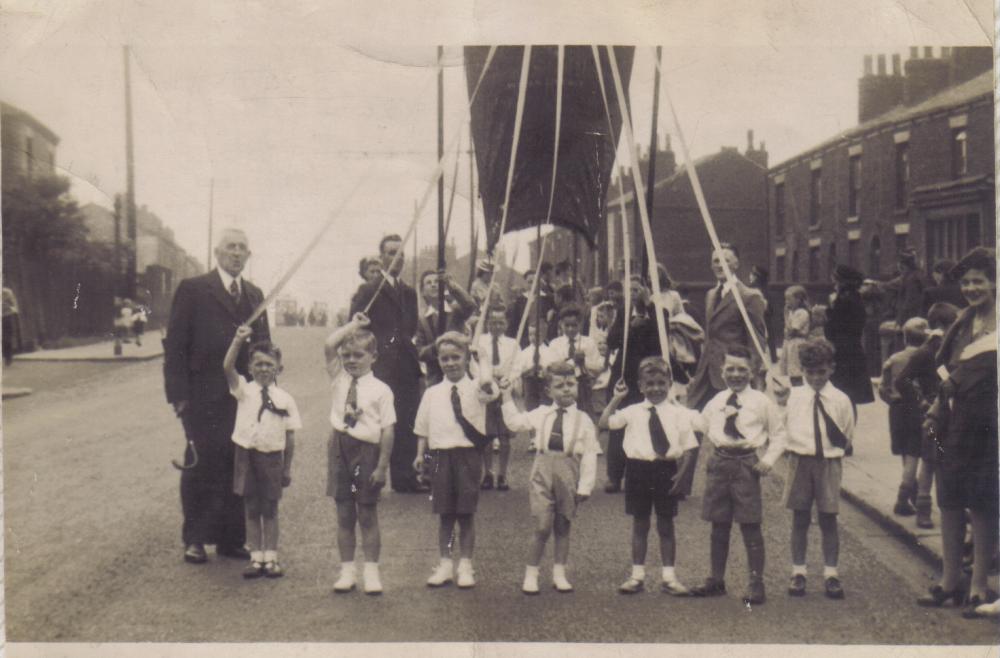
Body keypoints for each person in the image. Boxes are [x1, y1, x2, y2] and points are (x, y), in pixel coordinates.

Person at [164, 227, 270, 565]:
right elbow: (176, 348)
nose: (236, 253)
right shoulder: (194, 290)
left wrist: (265, 392)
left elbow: (264, 349)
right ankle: (194, 539)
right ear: (217, 253)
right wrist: (179, 397)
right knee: (201, 466)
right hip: (203, 397)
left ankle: (230, 539)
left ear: (248, 256)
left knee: (238, 465)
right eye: (230, 247)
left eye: (242, 248)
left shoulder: (255, 295)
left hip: (243, 398)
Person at [917, 247, 997, 619]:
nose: (971, 288)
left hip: (988, 425)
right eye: (966, 283)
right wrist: (935, 408)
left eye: (978, 281)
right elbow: (944, 371)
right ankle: (949, 583)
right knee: (948, 499)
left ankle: (979, 585)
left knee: (981, 503)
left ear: (994, 283)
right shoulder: (961, 323)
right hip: (952, 421)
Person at [689, 345, 786, 604]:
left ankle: (756, 583)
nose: (735, 374)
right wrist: (681, 407)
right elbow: (700, 424)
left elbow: (779, 435)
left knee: (750, 526)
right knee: (718, 525)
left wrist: (768, 461)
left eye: (742, 369)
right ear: (721, 371)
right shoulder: (717, 401)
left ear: (753, 372)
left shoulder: (762, 402)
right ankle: (716, 579)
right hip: (719, 463)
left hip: (746, 466)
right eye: (730, 368)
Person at [599, 357, 700, 596]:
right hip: (637, 471)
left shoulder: (679, 413)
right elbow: (605, 422)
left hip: (666, 471)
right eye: (650, 383)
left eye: (661, 383)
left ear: (669, 384)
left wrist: (683, 476)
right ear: (640, 386)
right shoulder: (632, 411)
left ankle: (669, 577)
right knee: (640, 523)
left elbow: (689, 447)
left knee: (666, 524)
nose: (656, 388)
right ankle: (637, 576)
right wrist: (616, 397)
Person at [498, 361, 601, 594]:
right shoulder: (541, 414)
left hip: (569, 471)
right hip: (542, 471)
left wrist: (585, 486)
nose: (566, 389)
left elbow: (590, 455)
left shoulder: (584, 420)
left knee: (563, 525)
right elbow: (515, 422)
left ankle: (559, 573)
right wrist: (506, 396)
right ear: (548, 391)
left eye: (571, 384)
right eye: (560, 385)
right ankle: (531, 574)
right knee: (543, 526)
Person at [413, 332, 494, 589]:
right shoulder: (432, 393)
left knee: (466, 514)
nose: (450, 363)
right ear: (438, 360)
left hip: (468, 455)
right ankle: (446, 564)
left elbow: (489, 385)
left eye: (456, 357)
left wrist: (482, 359)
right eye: (444, 358)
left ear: (466, 358)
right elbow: (422, 427)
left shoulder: (479, 388)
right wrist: (419, 454)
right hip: (440, 456)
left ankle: (466, 565)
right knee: (445, 514)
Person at [324, 312, 395, 595]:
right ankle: (347, 571)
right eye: (347, 355)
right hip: (340, 446)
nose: (351, 360)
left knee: (367, 513)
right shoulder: (339, 379)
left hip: (367, 451)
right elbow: (329, 345)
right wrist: (353, 325)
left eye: (358, 355)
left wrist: (381, 466)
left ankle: (372, 572)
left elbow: (388, 430)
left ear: (373, 357)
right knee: (343, 513)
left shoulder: (381, 390)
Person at [779, 337, 855, 600]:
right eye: (810, 372)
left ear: (831, 368)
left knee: (828, 518)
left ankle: (831, 573)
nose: (816, 378)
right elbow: (786, 426)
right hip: (800, 461)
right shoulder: (795, 398)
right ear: (802, 370)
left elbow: (846, 431)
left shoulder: (841, 399)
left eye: (821, 372)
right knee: (800, 518)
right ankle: (798, 571)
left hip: (828, 464)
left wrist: (833, 454)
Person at [222, 327, 300, 579]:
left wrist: (287, 468)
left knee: (271, 508)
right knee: (251, 507)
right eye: (258, 364)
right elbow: (227, 367)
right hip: (246, 455)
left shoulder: (285, 398)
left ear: (279, 368)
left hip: (272, 458)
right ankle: (256, 558)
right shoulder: (243, 390)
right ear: (250, 367)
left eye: (269, 364)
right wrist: (237, 340)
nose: (264, 369)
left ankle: (272, 557)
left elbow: (290, 436)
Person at [350, 234, 425, 493]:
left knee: (405, 420)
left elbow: (411, 326)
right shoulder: (369, 290)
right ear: (381, 257)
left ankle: (404, 478)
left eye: (401, 253)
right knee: (375, 420)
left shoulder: (409, 292)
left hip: (405, 365)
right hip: (380, 365)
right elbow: (356, 324)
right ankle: (368, 478)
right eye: (392, 252)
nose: (397, 258)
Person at [896, 302, 960, 529]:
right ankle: (923, 509)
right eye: (954, 325)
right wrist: (921, 400)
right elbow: (901, 380)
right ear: (942, 326)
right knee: (930, 460)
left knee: (938, 459)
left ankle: (904, 500)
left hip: (948, 411)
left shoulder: (949, 349)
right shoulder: (926, 352)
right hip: (929, 416)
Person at [687, 243, 768, 411]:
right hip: (707, 374)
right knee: (698, 419)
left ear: (736, 264)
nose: (719, 265)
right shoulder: (710, 295)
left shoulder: (749, 296)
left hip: (732, 373)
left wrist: (748, 374)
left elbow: (757, 341)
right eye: (716, 261)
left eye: (725, 260)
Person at [603, 277, 663, 493]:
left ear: (646, 291)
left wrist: (650, 309)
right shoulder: (624, 313)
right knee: (618, 424)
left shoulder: (657, 312)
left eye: (638, 289)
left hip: (648, 375)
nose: (634, 294)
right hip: (624, 375)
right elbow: (611, 341)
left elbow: (660, 340)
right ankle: (614, 475)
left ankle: (640, 475)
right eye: (631, 290)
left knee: (645, 423)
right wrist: (629, 327)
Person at [878, 317, 928, 517]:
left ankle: (911, 495)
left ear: (905, 337)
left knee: (905, 452)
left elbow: (882, 388)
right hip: (918, 408)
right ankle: (902, 498)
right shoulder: (929, 358)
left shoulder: (893, 359)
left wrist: (893, 401)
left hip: (897, 409)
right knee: (915, 453)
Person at [474, 305, 518, 491]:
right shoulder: (479, 342)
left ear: (506, 324)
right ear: (487, 323)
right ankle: (488, 473)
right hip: (486, 391)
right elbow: (473, 364)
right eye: (493, 322)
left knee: (504, 435)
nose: (496, 326)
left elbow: (517, 366)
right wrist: (485, 378)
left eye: (500, 322)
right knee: (487, 435)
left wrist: (507, 379)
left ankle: (502, 474)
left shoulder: (512, 344)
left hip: (504, 390)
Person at [825, 264, 875, 410]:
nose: (834, 285)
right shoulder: (857, 298)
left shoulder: (842, 301)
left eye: (835, 281)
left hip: (841, 352)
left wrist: (829, 310)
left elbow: (832, 328)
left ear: (841, 282)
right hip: (854, 350)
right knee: (850, 396)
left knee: (841, 393)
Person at [416, 269, 477, 385]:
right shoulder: (422, 319)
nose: (433, 284)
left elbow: (470, 305)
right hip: (436, 377)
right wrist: (437, 346)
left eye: (436, 281)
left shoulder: (455, 310)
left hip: (460, 372)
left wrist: (451, 285)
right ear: (423, 292)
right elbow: (419, 352)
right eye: (428, 283)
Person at [544, 304, 604, 416]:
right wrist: (572, 362)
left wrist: (584, 362)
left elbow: (599, 367)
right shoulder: (555, 344)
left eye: (574, 325)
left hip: (584, 388)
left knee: (586, 418)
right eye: (567, 325)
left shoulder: (588, 342)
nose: (570, 329)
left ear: (580, 325)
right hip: (562, 387)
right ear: (561, 324)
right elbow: (551, 367)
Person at [778, 285, 811, 387]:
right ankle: (795, 391)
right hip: (790, 344)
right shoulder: (793, 312)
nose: (787, 302)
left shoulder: (801, 313)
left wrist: (785, 314)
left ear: (799, 300)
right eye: (785, 299)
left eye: (789, 299)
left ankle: (798, 391)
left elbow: (791, 330)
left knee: (796, 372)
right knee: (791, 373)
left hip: (797, 345)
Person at [3, 285, 20, 365]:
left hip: (7, 316)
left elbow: (14, 303)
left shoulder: (7, 292)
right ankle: (6, 355)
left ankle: (8, 357)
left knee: (7, 337)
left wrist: (14, 310)